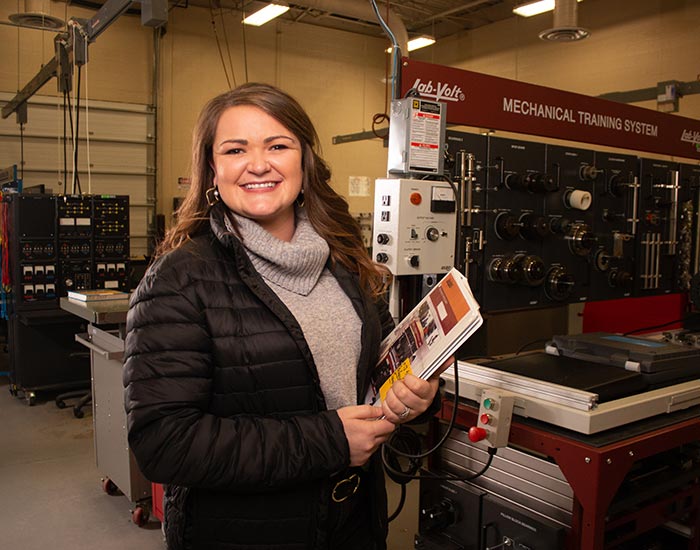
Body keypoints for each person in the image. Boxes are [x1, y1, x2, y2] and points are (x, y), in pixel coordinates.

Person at [123, 82, 446, 550]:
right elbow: (164, 441)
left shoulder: (344, 259)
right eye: (236, 149)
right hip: (246, 534)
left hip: (355, 521)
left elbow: (381, 362)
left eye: (278, 145)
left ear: (304, 161)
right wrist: (330, 442)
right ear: (212, 169)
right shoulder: (179, 280)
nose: (259, 164)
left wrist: (421, 393)